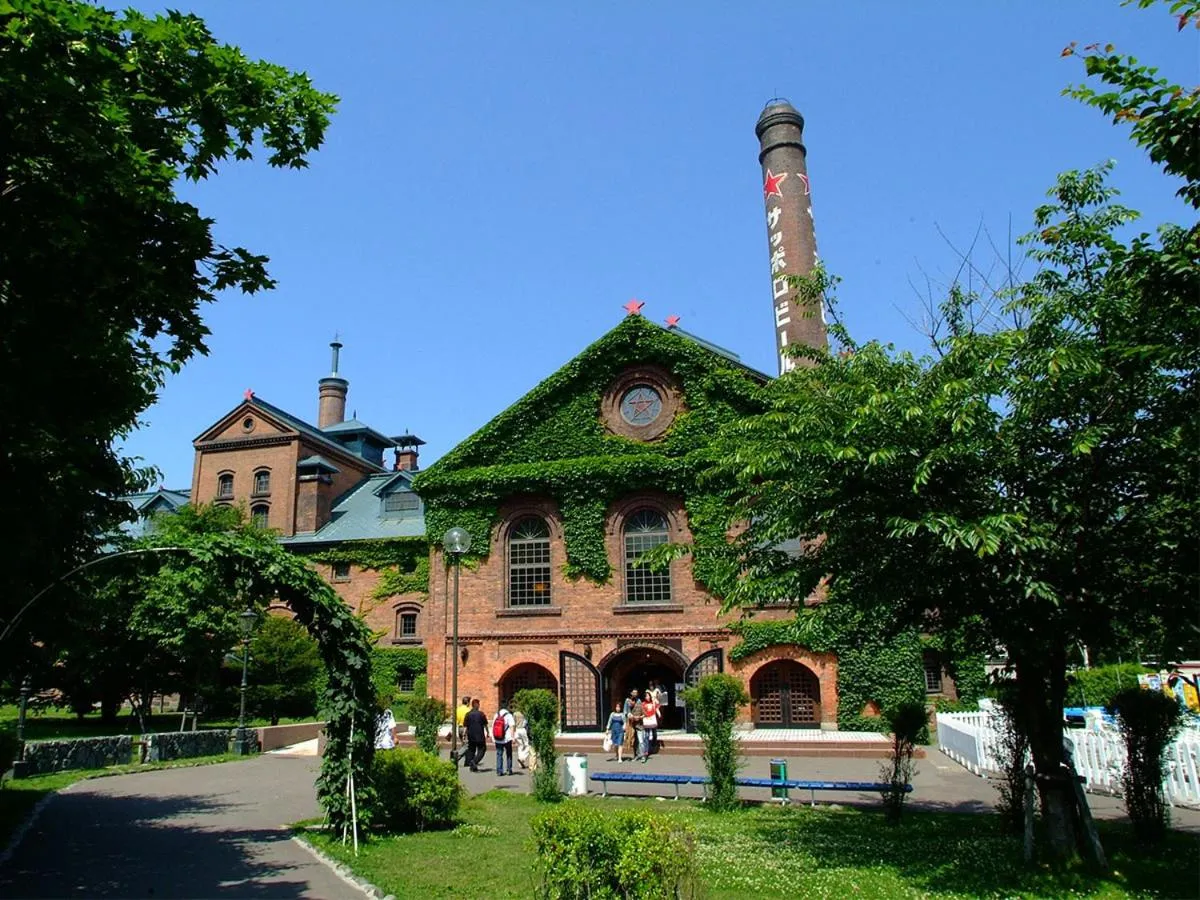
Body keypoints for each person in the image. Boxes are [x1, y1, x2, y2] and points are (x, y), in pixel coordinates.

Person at [463, 698, 488, 772]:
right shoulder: (481, 714)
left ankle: (471, 765)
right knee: (482, 749)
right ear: (477, 705)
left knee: (471, 750)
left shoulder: (468, 714)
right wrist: (488, 732)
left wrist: (464, 734)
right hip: (480, 735)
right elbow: (485, 724)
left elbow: (466, 726)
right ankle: (474, 761)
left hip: (471, 735)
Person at [493, 705, 515, 776]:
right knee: (509, 754)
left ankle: (499, 770)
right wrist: (513, 737)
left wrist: (493, 737)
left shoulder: (496, 714)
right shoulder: (509, 715)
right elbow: (511, 726)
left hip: (498, 738)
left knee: (499, 754)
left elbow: (493, 726)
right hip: (507, 738)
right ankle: (509, 769)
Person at [640, 690, 658, 760]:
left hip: (652, 720)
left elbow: (657, 705)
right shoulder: (643, 704)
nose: (648, 697)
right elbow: (643, 712)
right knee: (646, 736)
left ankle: (653, 746)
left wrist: (654, 698)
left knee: (654, 734)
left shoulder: (653, 702)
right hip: (647, 720)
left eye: (648, 696)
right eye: (646, 696)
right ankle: (646, 751)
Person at [455, 695, 471, 763]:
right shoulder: (468, 710)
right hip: (466, 728)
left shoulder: (458, 709)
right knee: (467, 745)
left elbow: (456, 720)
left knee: (463, 744)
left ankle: (467, 761)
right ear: (467, 702)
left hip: (459, 727)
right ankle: (456, 757)